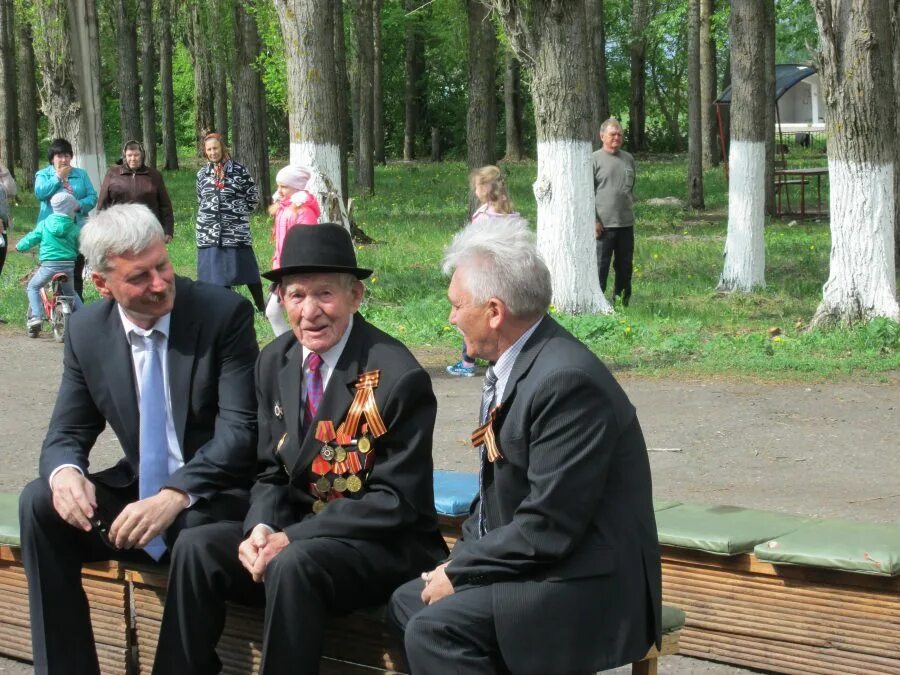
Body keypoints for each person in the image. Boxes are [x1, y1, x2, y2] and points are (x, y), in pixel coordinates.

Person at [153, 223, 448, 675]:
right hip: (294, 533)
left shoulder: (396, 375)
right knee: (196, 546)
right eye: (295, 295)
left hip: (380, 547)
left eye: (324, 294)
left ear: (356, 296)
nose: (310, 311)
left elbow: (395, 503)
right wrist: (260, 528)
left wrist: (291, 537)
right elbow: (270, 471)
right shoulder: (276, 360)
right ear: (281, 300)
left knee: (293, 563)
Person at [389, 216, 662, 675]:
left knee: (436, 629)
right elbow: (498, 492)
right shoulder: (515, 361)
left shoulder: (566, 381)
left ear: (494, 311)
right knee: (407, 600)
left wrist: (460, 571)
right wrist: (460, 562)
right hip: (546, 562)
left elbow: (549, 526)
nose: (450, 317)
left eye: (457, 306)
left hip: (587, 580)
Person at [18, 203, 259, 675]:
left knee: (195, 535)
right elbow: (67, 429)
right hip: (139, 497)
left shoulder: (222, 315)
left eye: (162, 266)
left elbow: (240, 433)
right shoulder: (87, 330)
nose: (158, 283)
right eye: (139, 277)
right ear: (101, 284)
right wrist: (66, 473)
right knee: (38, 503)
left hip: (213, 496)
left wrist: (175, 494)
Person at [447, 165, 520, 378]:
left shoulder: (482, 215)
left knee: (472, 316)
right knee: (496, 318)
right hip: (506, 274)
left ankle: (467, 362)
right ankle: (497, 360)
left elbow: (473, 244)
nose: (475, 191)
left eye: (476, 187)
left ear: (485, 188)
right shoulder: (511, 215)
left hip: (482, 275)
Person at [195, 132, 266, 313]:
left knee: (248, 272)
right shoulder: (202, 174)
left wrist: (237, 215)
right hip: (209, 232)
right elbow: (200, 198)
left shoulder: (239, 171)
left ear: (222, 148)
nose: (212, 152)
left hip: (235, 232)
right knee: (218, 276)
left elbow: (252, 197)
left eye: (215, 148)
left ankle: (262, 307)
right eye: (209, 149)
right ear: (205, 151)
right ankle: (226, 310)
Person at [34, 138, 98, 301]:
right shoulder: (43, 174)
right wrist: (57, 178)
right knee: (53, 269)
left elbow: (92, 196)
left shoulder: (80, 174)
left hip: (76, 228)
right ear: (52, 158)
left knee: (76, 269)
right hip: (52, 231)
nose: (64, 160)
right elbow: (40, 193)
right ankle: (52, 307)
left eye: (67, 156)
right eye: (59, 156)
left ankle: (76, 307)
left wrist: (79, 205)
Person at [16, 192, 84, 337]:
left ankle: (36, 317)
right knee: (71, 294)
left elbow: (32, 238)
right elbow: (80, 245)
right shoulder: (74, 228)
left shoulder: (45, 224)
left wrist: (19, 247)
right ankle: (85, 317)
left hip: (49, 265)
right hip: (68, 266)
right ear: (70, 209)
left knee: (33, 286)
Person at [265, 164, 320, 336]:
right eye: (278, 186)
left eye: (284, 186)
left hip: (297, 271)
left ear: (297, 187)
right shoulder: (284, 208)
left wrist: (296, 270)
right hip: (283, 270)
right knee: (274, 312)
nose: (279, 190)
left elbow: (308, 244)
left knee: (277, 312)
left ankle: (292, 350)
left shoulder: (303, 211)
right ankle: (291, 349)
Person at [593, 117, 636, 306]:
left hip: (625, 222)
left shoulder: (628, 159)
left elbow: (630, 186)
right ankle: (598, 302)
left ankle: (622, 302)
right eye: (612, 134)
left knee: (625, 267)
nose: (616, 137)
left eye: (619, 134)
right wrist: (594, 220)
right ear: (602, 136)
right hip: (603, 225)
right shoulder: (594, 159)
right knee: (600, 267)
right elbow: (586, 193)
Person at [97, 140, 175, 241]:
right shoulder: (113, 174)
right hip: (119, 230)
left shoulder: (154, 175)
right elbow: (103, 203)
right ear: (124, 156)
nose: (133, 159)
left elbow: (165, 205)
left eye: (136, 155)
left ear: (142, 156)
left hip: (148, 231)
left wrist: (168, 230)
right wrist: (100, 229)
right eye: (129, 155)